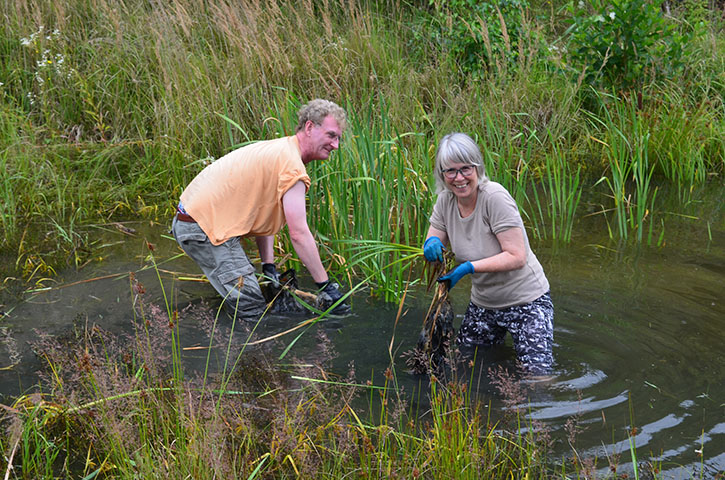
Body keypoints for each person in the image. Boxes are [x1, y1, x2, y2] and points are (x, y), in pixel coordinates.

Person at [172, 99, 350, 319]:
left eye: (338, 139)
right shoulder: (292, 167)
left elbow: (263, 212)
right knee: (251, 309)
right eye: (331, 135)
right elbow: (299, 234)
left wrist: (269, 267)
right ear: (310, 127)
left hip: (194, 221)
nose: (336, 145)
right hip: (203, 228)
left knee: (251, 296)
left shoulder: (282, 150)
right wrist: (325, 287)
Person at [422, 132, 554, 375]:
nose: (459, 178)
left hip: (526, 302)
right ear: (442, 174)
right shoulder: (445, 201)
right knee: (465, 365)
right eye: (450, 171)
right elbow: (434, 237)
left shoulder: (494, 197)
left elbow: (516, 256)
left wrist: (467, 267)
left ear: (477, 168)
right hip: (484, 303)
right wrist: (430, 244)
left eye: (465, 169)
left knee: (537, 376)